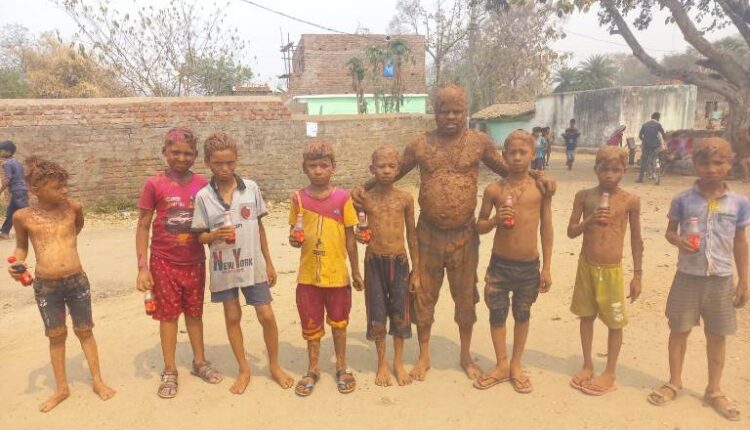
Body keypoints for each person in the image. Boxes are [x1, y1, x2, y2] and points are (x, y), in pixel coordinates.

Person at [352, 84, 555, 382]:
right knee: (423, 295)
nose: (451, 116)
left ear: (465, 111)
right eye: (445, 111)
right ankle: (424, 355)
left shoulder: (478, 142)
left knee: (465, 297)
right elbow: (395, 172)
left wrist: (538, 175)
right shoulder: (420, 145)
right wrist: (363, 187)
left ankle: (465, 354)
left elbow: (507, 169)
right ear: (435, 112)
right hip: (428, 233)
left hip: (465, 235)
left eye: (457, 111)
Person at [646, 137, 747, 422]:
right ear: (694, 164)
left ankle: (714, 389)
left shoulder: (739, 203)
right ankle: (674, 382)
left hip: (721, 280)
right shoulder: (683, 200)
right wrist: (677, 240)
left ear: (730, 163)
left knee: (717, 336)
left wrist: (744, 281)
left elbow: (740, 242)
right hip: (687, 278)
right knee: (679, 331)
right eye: (704, 163)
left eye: (719, 163)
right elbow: (670, 232)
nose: (711, 169)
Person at [7, 156, 115, 412]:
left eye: (65, 184)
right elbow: (21, 248)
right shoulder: (23, 217)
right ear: (35, 189)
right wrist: (17, 263)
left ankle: (97, 380)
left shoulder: (73, 208)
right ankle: (61, 388)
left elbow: (74, 232)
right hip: (47, 286)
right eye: (57, 187)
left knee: (85, 330)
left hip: (77, 280)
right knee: (56, 336)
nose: (64, 191)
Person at [191, 132, 293, 395]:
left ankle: (274, 365)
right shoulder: (203, 196)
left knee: (266, 314)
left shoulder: (251, 188)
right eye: (218, 163)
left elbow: (259, 227)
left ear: (236, 160)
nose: (225, 168)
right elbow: (200, 236)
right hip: (224, 267)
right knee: (233, 315)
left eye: (230, 162)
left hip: (252, 263)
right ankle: (244, 369)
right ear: (207, 162)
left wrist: (268, 262)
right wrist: (214, 235)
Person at [135, 128, 222, 399]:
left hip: (195, 261)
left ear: (196, 155)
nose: (181, 158)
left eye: (187, 153)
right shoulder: (154, 185)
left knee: (195, 314)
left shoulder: (204, 186)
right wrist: (142, 267)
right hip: (163, 262)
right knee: (168, 316)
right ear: (165, 152)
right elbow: (143, 225)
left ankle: (200, 362)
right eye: (175, 152)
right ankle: (170, 369)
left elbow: (212, 224)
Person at [472, 130, 553, 394]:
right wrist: (496, 220)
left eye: (523, 152)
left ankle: (516, 364)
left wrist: (547, 267)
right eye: (512, 153)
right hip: (500, 265)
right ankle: (501, 364)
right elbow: (479, 225)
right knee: (497, 313)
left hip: (528, 265)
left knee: (522, 313)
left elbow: (546, 227)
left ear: (533, 154)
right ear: (503, 155)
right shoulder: (494, 189)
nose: (517, 158)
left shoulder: (540, 188)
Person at [288, 140, 363, 396]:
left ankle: (341, 366)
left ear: (333, 167)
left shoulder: (343, 198)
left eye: (323, 165)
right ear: (304, 168)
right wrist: (293, 240)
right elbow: (294, 234)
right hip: (308, 275)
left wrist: (355, 271)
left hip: (337, 275)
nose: (318, 170)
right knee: (311, 325)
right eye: (313, 166)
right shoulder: (298, 198)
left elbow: (350, 238)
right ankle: (312, 368)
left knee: (339, 323)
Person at [567, 146, 643, 396]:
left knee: (615, 322)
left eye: (615, 170)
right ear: (595, 169)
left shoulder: (630, 200)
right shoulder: (584, 196)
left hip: (612, 270)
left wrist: (638, 274)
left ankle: (610, 372)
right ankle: (587, 364)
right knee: (586, 316)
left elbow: (636, 239)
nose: (609, 174)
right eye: (604, 169)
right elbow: (571, 231)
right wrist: (590, 219)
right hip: (587, 266)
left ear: (624, 171)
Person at [356, 145, 420, 387]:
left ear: (399, 169)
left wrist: (417, 270)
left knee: (400, 313)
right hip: (374, 261)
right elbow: (358, 228)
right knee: (377, 312)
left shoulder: (405, 198)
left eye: (391, 166)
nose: (386, 171)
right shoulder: (365, 199)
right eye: (381, 166)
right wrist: (359, 235)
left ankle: (398, 362)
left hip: (400, 261)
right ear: (372, 169)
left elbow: (412, 235)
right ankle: (382, 362)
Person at [0, 140, 29, 240]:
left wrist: (0, 190)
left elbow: (7, 179)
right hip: (20, 190)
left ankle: (39, 229)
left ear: (8, 152)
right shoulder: (17, 162)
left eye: (1, 150)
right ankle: (4, 232)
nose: (0, 153)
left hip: (17, 190)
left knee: (26, 211)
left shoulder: (7, 163)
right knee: (11, 212)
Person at [637, 112, 666, 183]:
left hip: (646, 145)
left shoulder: (645, 125)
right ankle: (655, 174)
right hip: (655, 146)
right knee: (654, 158)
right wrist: (664, 142)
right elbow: (663, 134)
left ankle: (640, 178)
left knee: (644, 161)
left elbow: (640, 136)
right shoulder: (658, 125)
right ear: (658, 118)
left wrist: (645, 140)